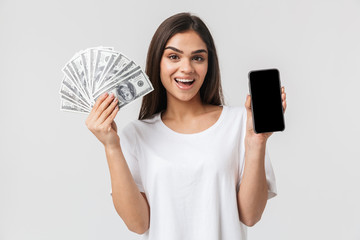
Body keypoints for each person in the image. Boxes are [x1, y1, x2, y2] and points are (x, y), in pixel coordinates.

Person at [85, 12, 287, 240]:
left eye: (198, 58)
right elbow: (138, 224)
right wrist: (111, 146)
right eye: (174, 57)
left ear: (209, 64)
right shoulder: (136, 135)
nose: (187, 68)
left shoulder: (240, 122)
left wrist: (256, 141)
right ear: (157, 62)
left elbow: (250, 216)